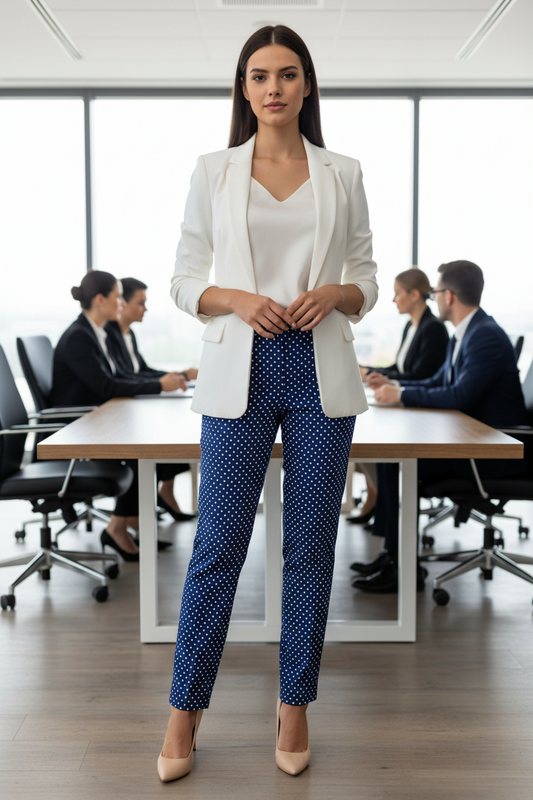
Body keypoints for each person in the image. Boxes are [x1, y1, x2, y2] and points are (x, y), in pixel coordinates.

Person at [158, 25, 378, 781]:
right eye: (259, 75)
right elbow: (185, 279)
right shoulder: (213, 170)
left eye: (287, 74)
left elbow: (367, 276)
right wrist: (237, 299)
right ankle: (184, 710)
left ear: (306, 85)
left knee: (310, 547)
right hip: (239, 367)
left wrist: (339, 294)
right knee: (217, 546)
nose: (273, 87)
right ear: (243, 88)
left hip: (320, 370)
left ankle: (294, 705)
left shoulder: (341, 172)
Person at [351, 260, 528, 593]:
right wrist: (397, 388)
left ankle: (401, 566)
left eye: (435, 292)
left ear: (448, 296)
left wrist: (401, 394)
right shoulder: (467, 332)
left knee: (396, 462)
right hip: (472, 439)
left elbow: (460, 395)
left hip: (489, 452)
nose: (434, 298)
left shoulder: (484, 335)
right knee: (391, 460)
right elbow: (438, 379)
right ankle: (394, 557)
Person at [52, 270, 187, 561]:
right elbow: (105, 385)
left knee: (146, 447)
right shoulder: (79, 338)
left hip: (94, 421)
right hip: (76, 429)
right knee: (141, 455)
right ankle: (118, 528)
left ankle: (130, 523)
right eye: (118, 297)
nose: (122, 304)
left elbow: (121, 375)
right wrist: (158, 385)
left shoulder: (95, 333)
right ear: (101, 300)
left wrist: (163, 381)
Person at [349, 268, 448, 524]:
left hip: (426, 414)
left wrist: (389, 380)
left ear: (414, 295)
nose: (394, 300)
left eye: (397, 293)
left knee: (384, 453)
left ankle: (387, 537)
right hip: (413, 404)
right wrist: (372, 372)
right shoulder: (412, 326)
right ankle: (383, 530)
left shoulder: (434, 329)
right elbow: (400, 368)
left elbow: (422, 374)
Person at [105, 276, 198, 522]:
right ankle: (131, 518)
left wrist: (178, 375)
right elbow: (121, 378)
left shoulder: (127, 335)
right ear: (122, 303)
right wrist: (160, 385)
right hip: (105, 417)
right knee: (154, 441)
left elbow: (141, 370)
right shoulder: (108, 335)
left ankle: (162, 494)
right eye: (140, 303)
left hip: (122, 408)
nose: (145, 309)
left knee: (172, 432)